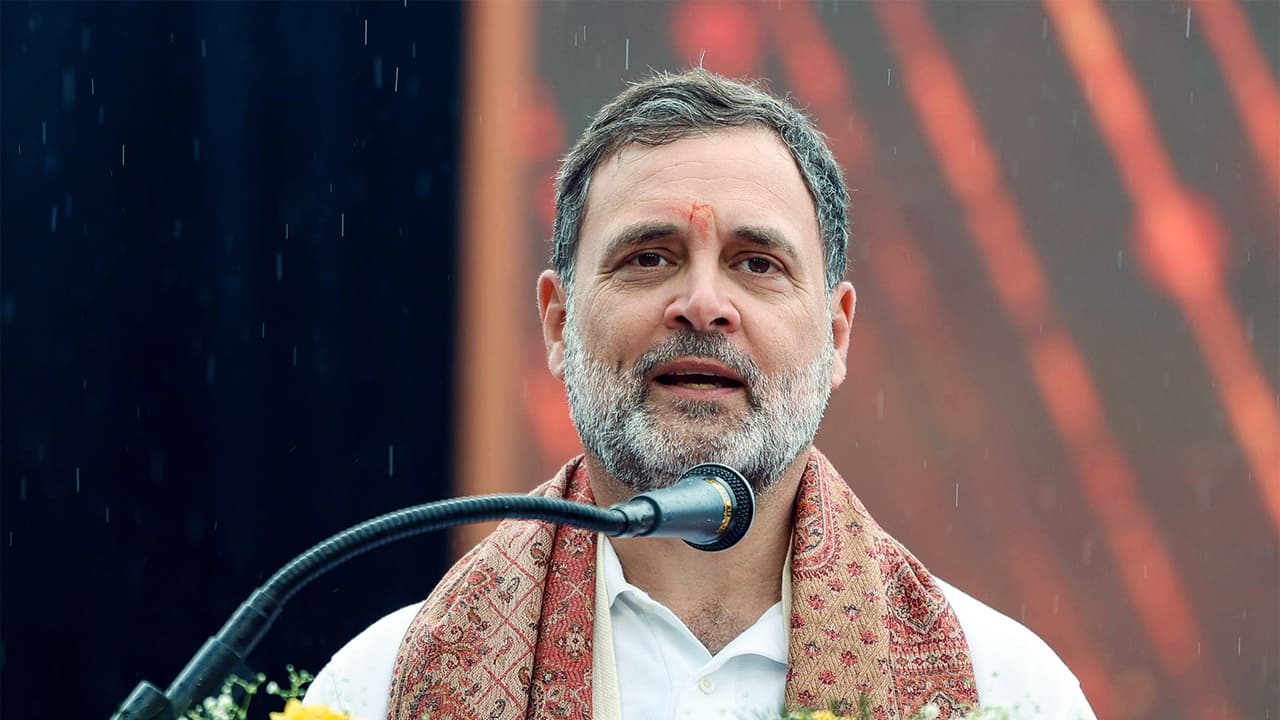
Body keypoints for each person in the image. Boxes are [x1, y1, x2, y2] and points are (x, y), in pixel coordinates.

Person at [305, 69, 1097, 720]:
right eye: (650, 258)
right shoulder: (377, 689)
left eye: (758, 263)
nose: (703, 303)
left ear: (838, 335)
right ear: (556, 322)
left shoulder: (1009, 693)